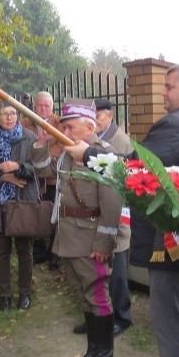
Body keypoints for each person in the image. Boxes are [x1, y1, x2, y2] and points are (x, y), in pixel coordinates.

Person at [65, 64, 179, 357]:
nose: (163, 93)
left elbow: (135, 168)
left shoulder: (177, 125)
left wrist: (87, 154)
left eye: (170, 87)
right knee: (176, 322)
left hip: (174, 245)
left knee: (170, 325)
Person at [32, 99, 123, 357]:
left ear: (88, 127)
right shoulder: (68, 154)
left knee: (98, 295)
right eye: (64, 127)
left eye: (70, 127)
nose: (66, 131)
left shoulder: (105, 155)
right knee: (85, 296)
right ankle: (93, 351)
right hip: (70, 234)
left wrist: (104, 243)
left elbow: (113, 204)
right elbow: (42, 172)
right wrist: (41, 144)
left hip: (91, 236)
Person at [71, 97, 134, 337]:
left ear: (109, 115)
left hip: (117, 214)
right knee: (96, 275)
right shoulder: (86, 140)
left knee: (116, 271)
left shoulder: (121, 141)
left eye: (97, 116)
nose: (94, 120)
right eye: (91, 116)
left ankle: (122, 316)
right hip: (93, 219)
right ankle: (96, 317)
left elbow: (124, 179)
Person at [0, 103, 39, 311]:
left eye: (13, 113)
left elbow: (39, 168)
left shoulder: (29, 137)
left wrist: (18, 167)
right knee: (1, 252)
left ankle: (25, 293)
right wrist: (3, 176)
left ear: (18, 115)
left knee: (24, 251)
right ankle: (5, 295)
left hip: (21, 200)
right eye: (5, 114)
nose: (10, 117)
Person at [24, 91, 63, 269]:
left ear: (52, 107)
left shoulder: (60, 123)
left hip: (53, 178)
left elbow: (62, 146)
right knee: (36, 214)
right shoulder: (25, 123)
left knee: (55, 215)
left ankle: (54, 252)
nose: (43, 109)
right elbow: (24, 147)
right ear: (34, 106)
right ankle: (39, 250)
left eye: (47, 105)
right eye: (40, 105)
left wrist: (41, 155)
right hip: (32, 178)